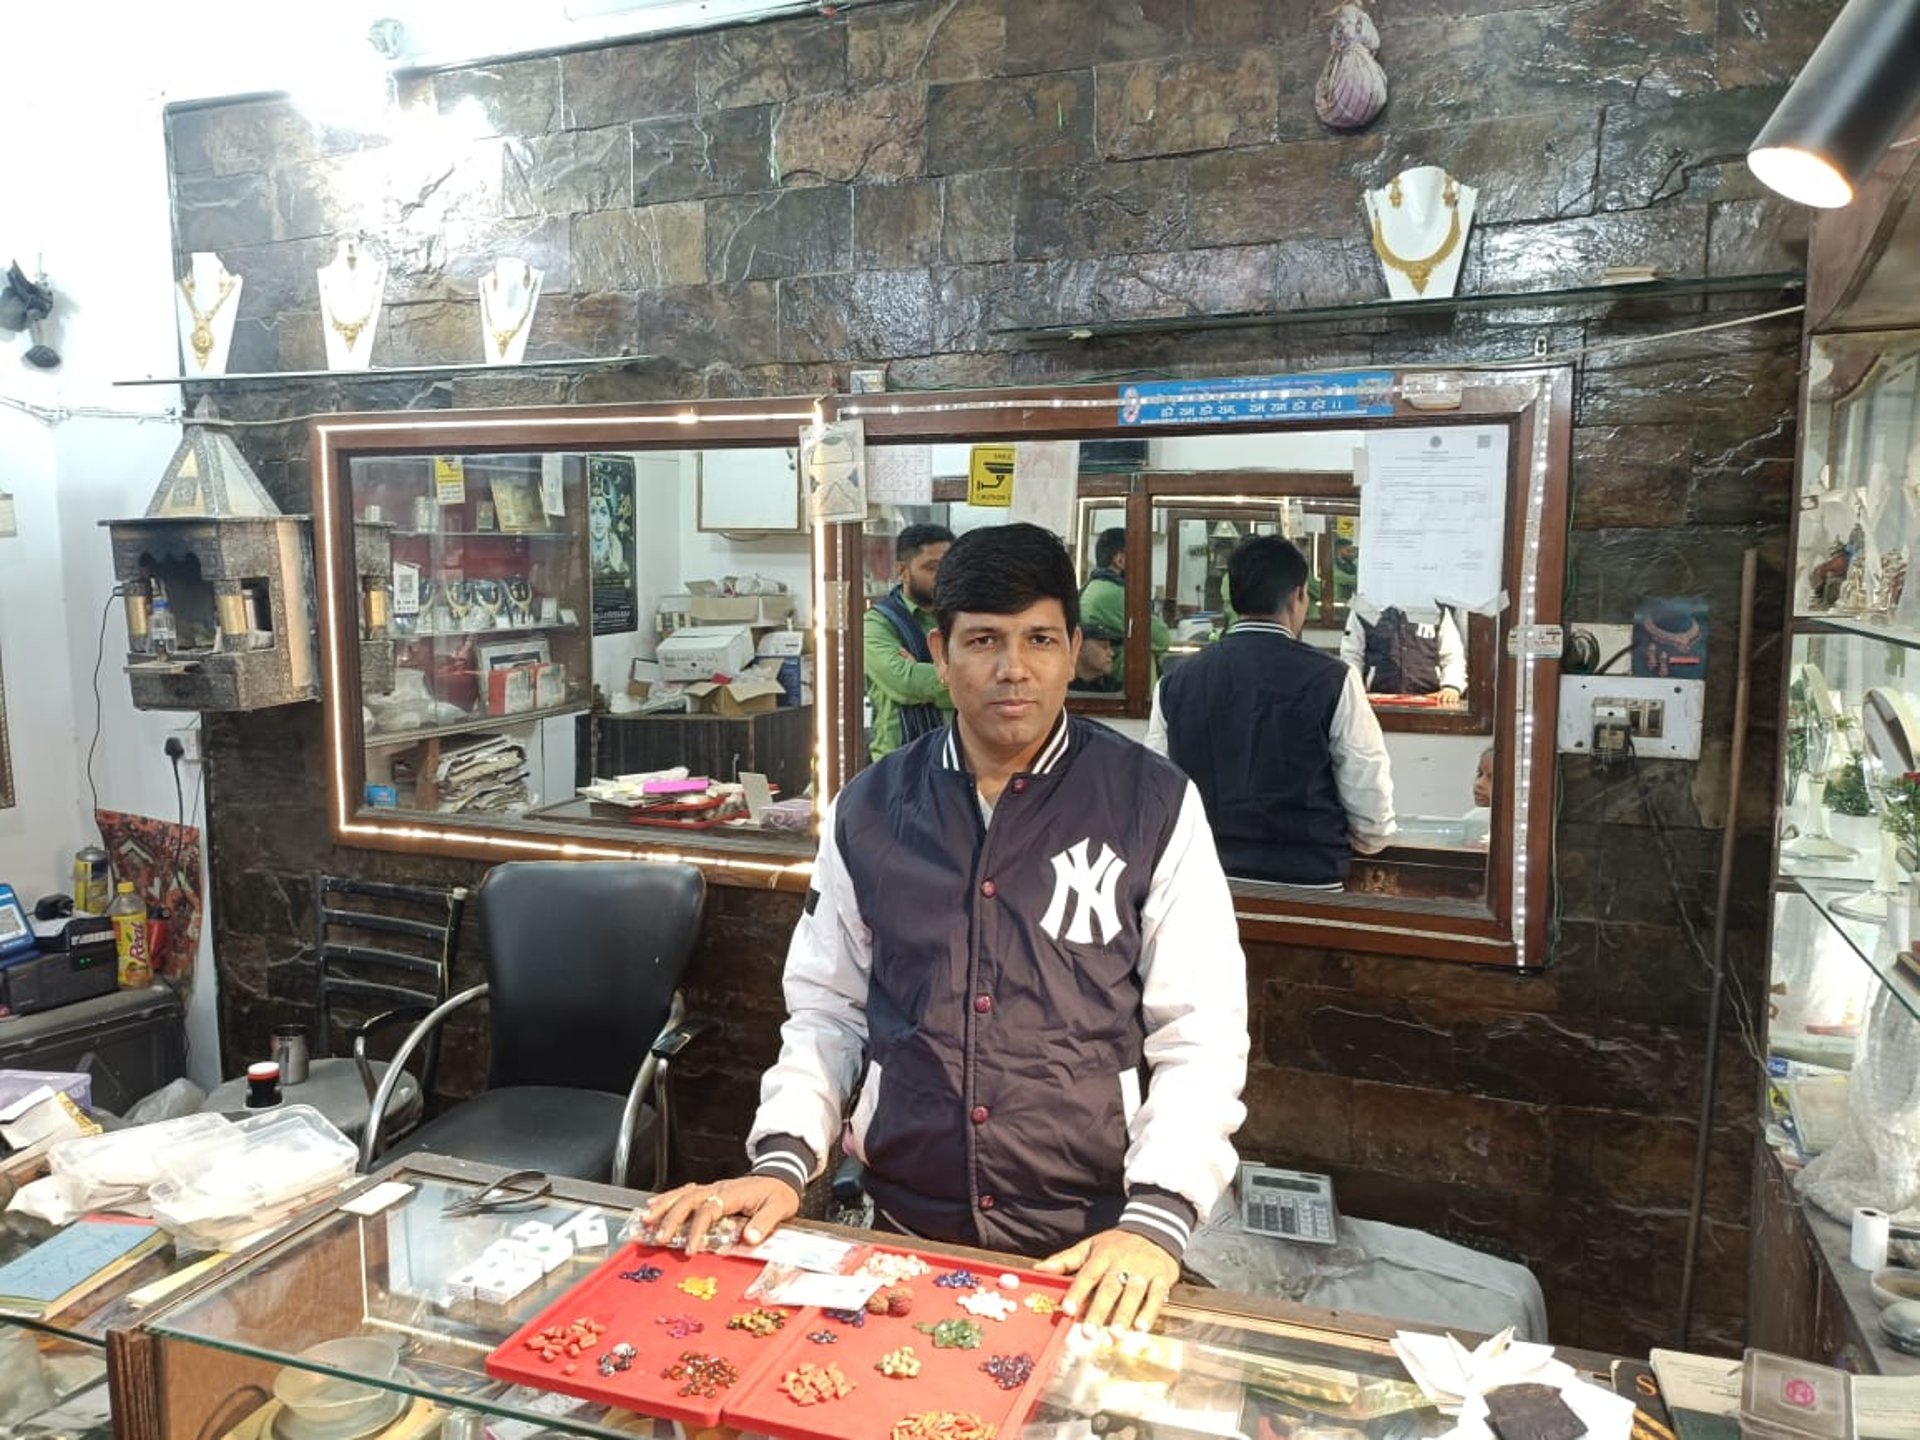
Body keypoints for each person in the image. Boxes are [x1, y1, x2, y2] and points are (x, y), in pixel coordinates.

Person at [644, 522, 1249, 1334]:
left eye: (1039, 638)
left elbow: (1201, 1034)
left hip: (1090, 1240)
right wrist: (786, 1156)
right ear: (939, 650)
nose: (1013, 669)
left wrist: (1158, 1217)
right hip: (906, 1225)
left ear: (1074, 646)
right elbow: (827, 1009)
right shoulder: (870, 808)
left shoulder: (1153, 805)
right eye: (984, 641)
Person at [1148, 534, 1396, 887]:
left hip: (1201, 886)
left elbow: (1157, 787)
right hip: (1307, 886)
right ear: (1298, 596)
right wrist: (1372, 841)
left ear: (1233, 595)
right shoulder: (1334, 678)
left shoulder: (1175, 680)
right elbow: (1366, 784)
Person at [864, 523, 954, 761]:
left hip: (955, 757)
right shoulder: (877, 623)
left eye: (949, 568)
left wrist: (926, 673)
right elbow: (904, 682)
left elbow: (985, 674)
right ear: (903, 571)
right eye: (932, 568)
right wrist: (958, 677)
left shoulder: (962, 618)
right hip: (898, 761)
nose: (943, 577)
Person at [1080, 526, 1171, 687]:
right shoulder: (1116, 594)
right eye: (1136, 557)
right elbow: (1162, 638)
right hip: (1127, 685)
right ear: (1120, 560)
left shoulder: (1090, 587)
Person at [1339, 601, 1466, 703]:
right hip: (1377, 700)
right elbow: (1351, 654)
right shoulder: (1364, 605)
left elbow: (1453, 654)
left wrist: (1451, 686)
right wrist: (1354, 689)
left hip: (1430, 698)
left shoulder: (1434, 607)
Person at [1069, 620, 1124, 693]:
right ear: (1078, 647)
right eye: (1104, 647)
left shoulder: (1119, 691)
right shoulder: (1058, 688)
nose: (1112, 653)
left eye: (1111, 647)